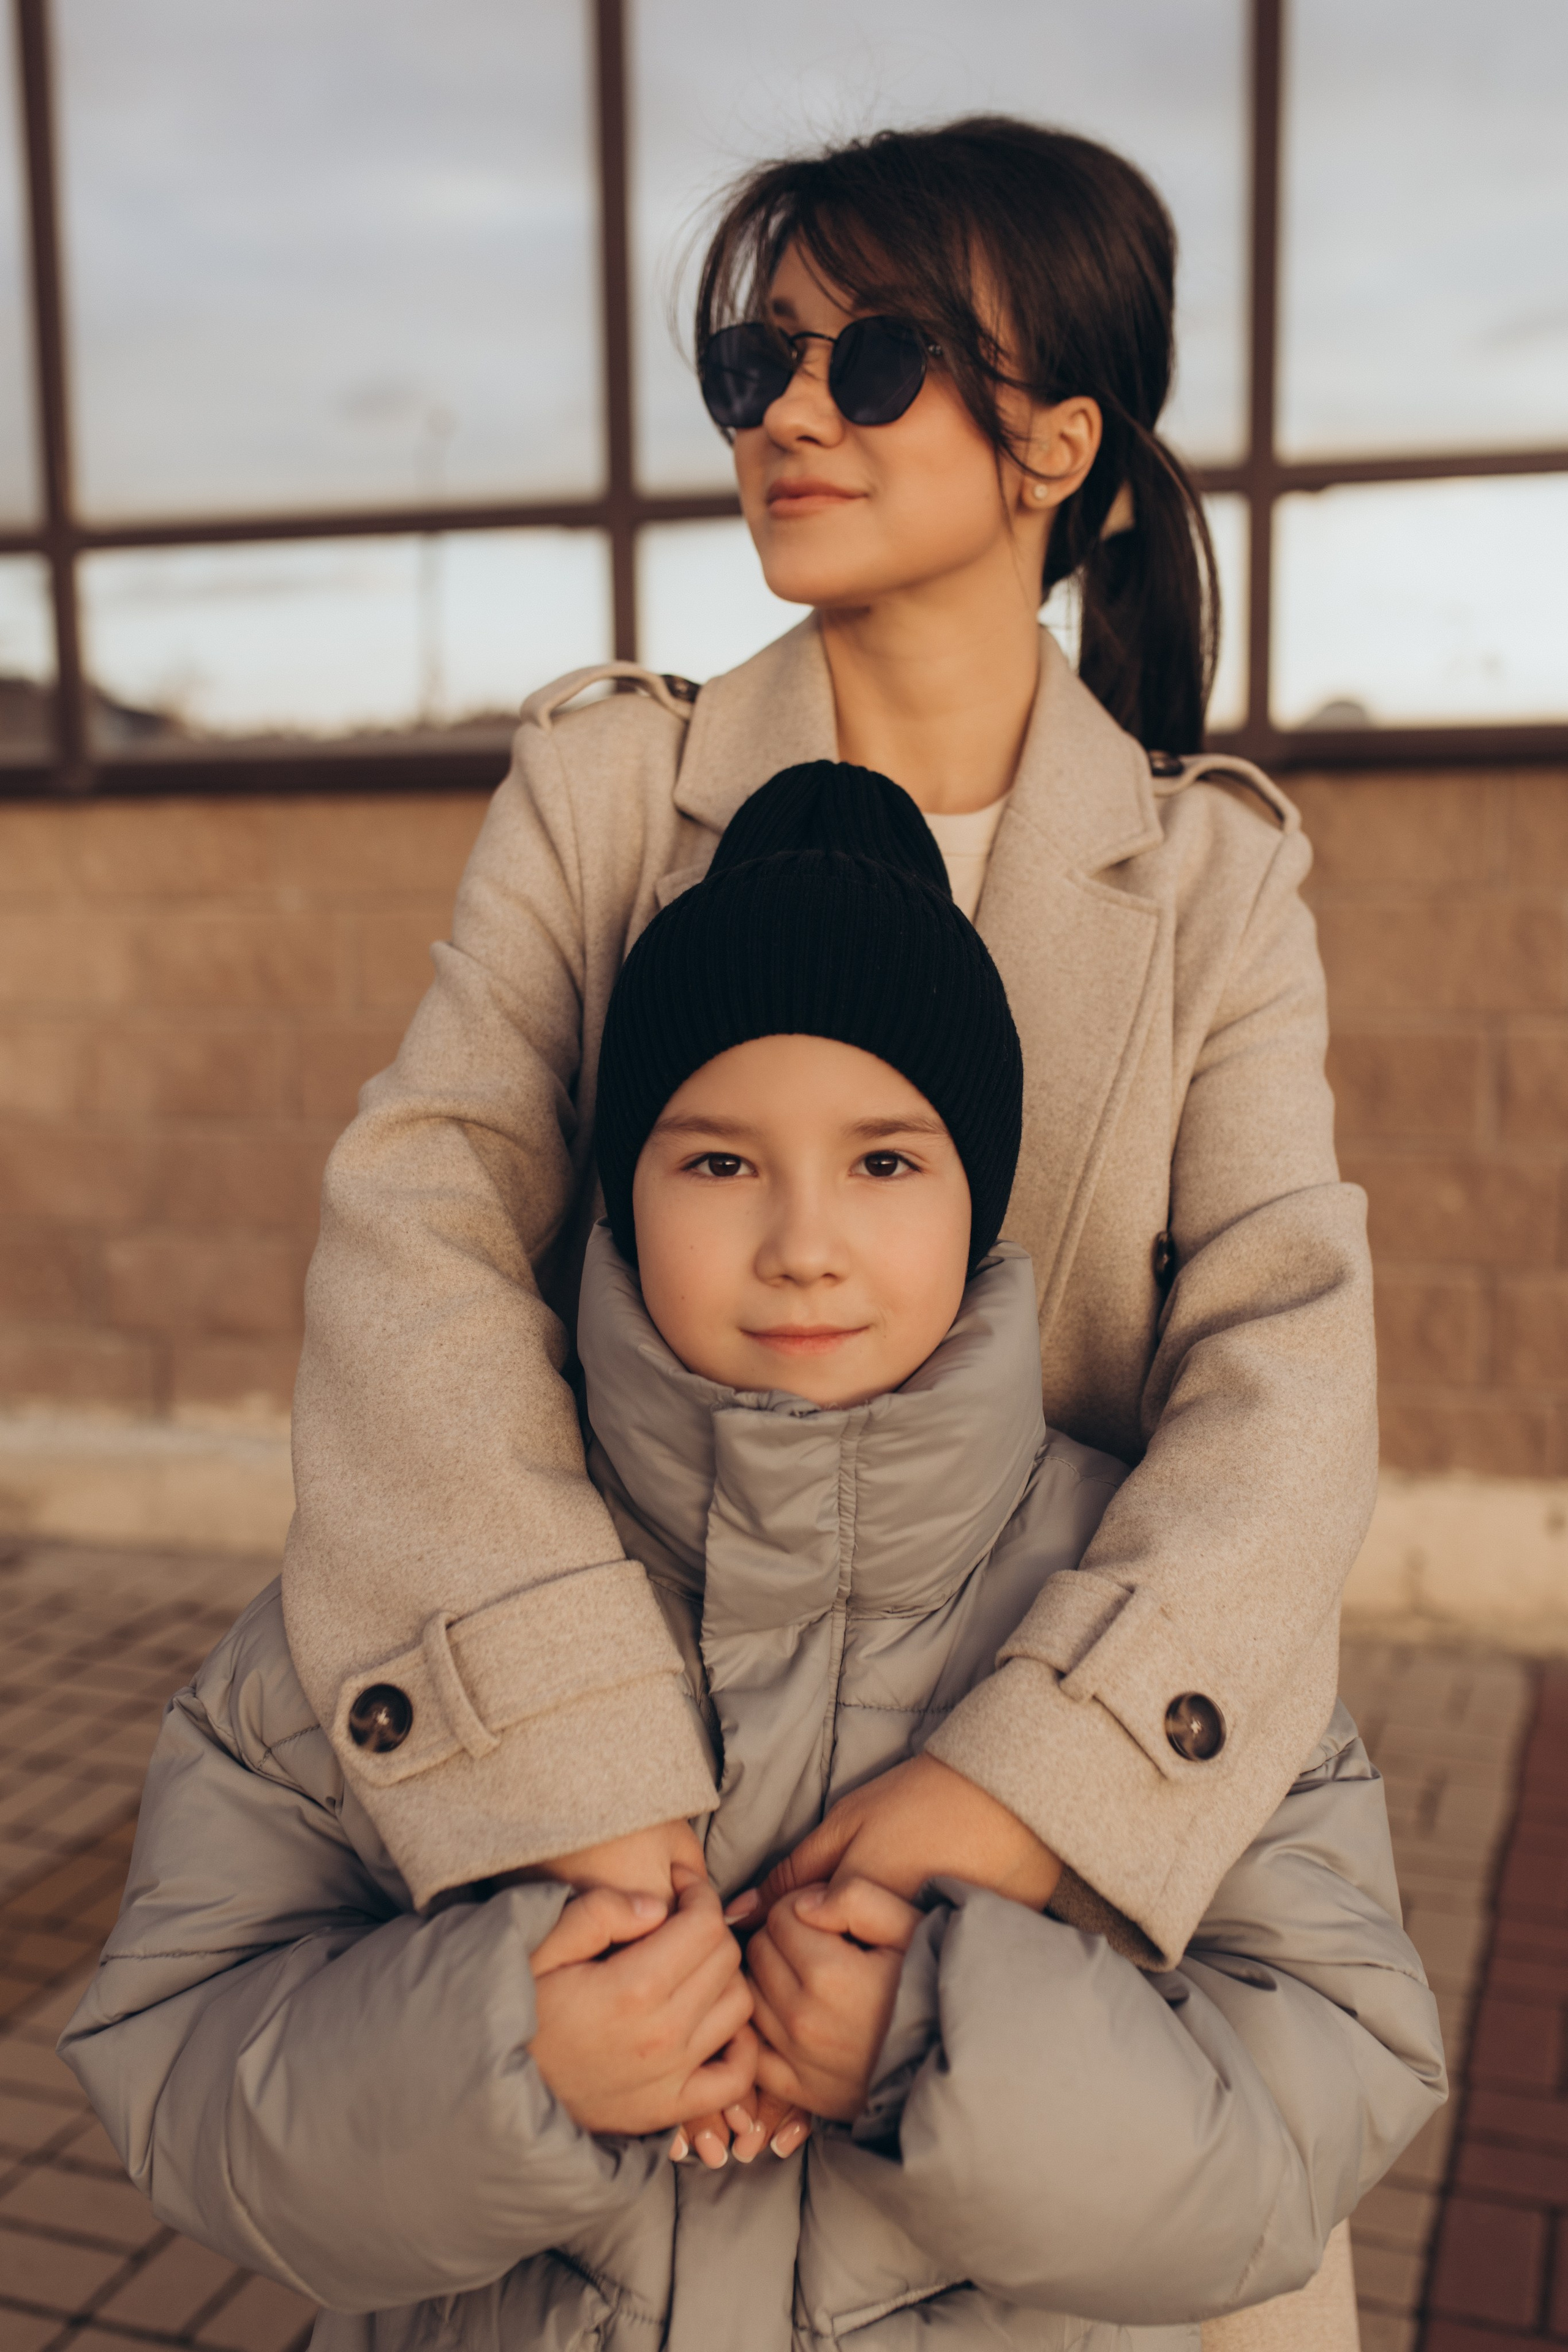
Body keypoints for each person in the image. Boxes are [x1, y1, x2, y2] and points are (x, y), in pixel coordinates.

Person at [277, 114, 1379, 2332]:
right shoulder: (608, 794)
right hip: (646, 1899)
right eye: (752, 360)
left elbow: (1285, 1361)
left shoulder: (1213, 884)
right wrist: (580, 1770)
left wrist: (1022, 1795)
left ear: (1057, 439)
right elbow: (420, 1235)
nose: (787, 413)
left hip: (1021, 1936)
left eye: (873, 362)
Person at [61, 769, 1442, 2352]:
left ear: (979, 1197)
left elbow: (1321, 2094)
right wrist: (506, 2053)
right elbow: (179, 2056)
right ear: (623, 1193)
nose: (803, 1238)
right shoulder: (416, 1589)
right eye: (718, 1162)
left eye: (885, 1162)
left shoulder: (1141, 1607)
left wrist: (942, 2045)